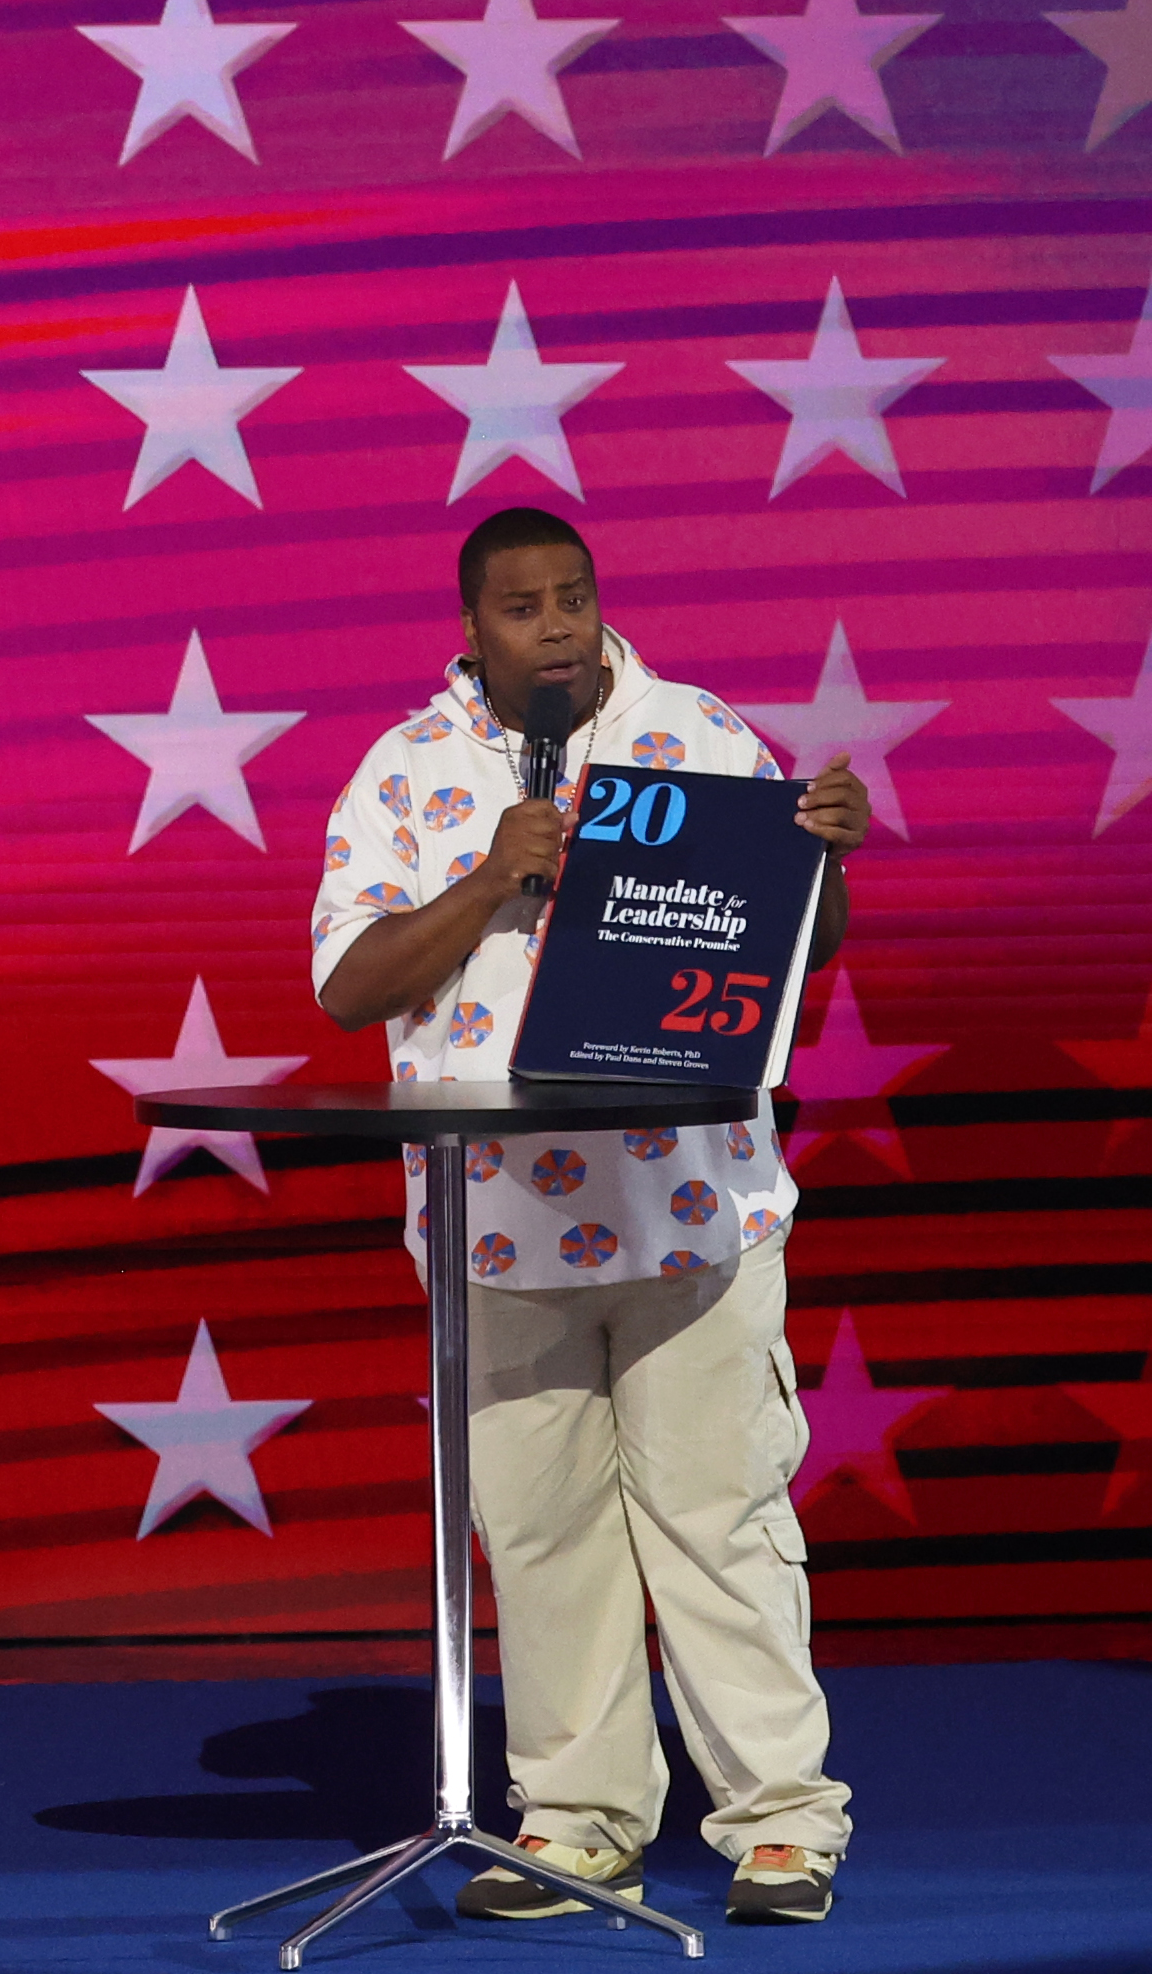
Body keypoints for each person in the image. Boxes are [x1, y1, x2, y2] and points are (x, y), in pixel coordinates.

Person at [310, 507, 870, 1930]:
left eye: (574, 596)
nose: (556, 625)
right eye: (522, 606)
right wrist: (497, 872)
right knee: (544, 1532)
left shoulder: (702, 735)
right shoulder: (405, 771)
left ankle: (782, 1825)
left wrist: (835, 859)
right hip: (499, 1232)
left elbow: (796, 943)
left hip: (690, 1211)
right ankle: (579, 1820)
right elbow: (350, 984)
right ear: (472, 623)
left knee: (720, 1522)